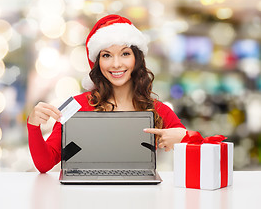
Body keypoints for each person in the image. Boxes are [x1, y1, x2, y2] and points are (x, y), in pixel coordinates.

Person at [27, 14, 187, 173]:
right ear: (97, 62)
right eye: (106, 55)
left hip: (138, 194)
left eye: (125, 54)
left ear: (137, 59)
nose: (116, 64)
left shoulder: (157, 109)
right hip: (84, 194)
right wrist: (33, 126)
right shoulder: (75, 106)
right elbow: (45, 163)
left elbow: (201, 147)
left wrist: (185, 138)